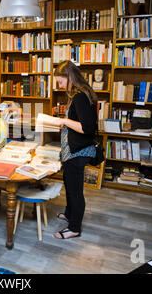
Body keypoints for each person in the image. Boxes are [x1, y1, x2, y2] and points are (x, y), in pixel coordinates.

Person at [52, 60, 98, 240]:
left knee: (75, 190)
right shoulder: (81, 93)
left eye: (61, 82)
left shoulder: (80, 96)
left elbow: (87, 128)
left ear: (69, 78)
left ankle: (74, 227)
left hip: (78, 151)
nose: (60, 86)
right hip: (74, 150)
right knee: (70, 185)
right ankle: (70, 214)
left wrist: (63, 121)